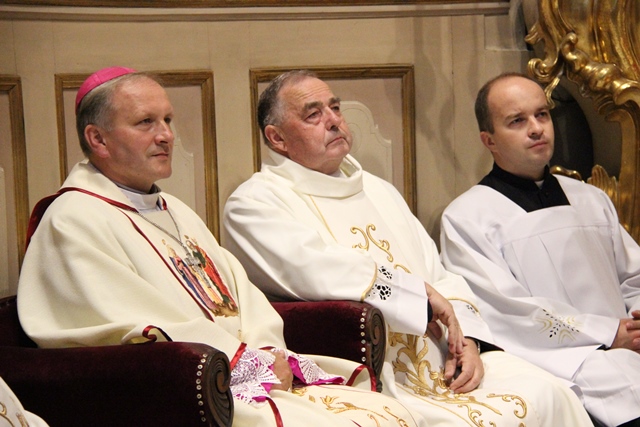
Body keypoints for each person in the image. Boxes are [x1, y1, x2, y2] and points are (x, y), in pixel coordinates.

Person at [16, 66, 432, 427]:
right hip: (178, 390)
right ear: (98, 139)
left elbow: (237, 293)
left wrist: (267, 350)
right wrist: (243, 362)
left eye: (168, 120)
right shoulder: (73, 219)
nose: (166, 135)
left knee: (388, 412)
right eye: (145, 122)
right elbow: (126, 321)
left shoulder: (173, 209)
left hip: (240, 374)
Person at [223, 69, 594, 426]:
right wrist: (420, 297)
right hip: (372, 372)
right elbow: (314, 269)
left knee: (552, 394)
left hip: (446, 359)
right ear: (276, 138)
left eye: (335, 108)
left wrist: (467, 340)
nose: (334, 121)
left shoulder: (379, 190)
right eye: (313, 115)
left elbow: (438, 274)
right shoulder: (254, 203)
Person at [439, 72, 640, 427]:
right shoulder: (468, 217)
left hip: (629, 346)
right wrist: (608, 333)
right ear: (489, 140)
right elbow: (507, 310)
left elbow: (633, 275)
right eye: (517, 121)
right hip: (563, 364)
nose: (536, 129)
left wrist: (635, 325)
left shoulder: (590, 198)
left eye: (542, 114)